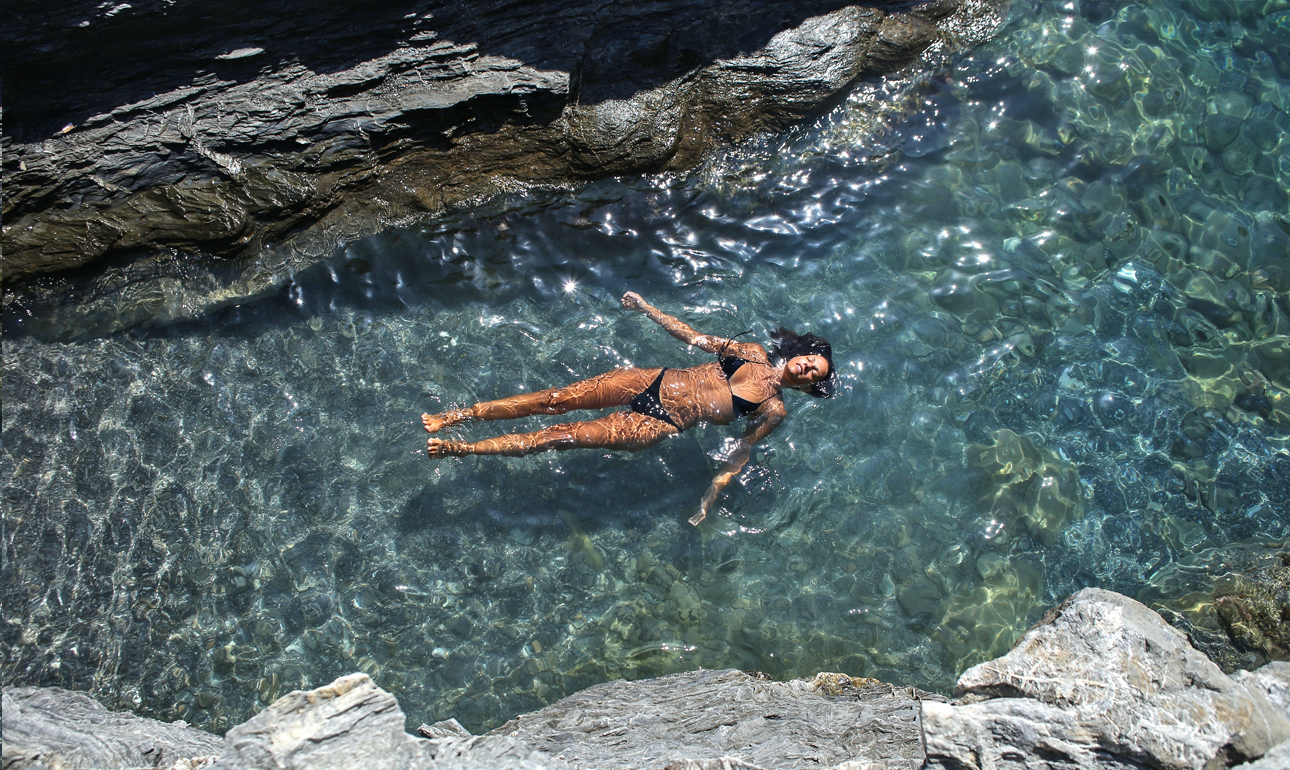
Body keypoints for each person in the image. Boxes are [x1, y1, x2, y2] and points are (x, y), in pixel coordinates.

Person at [422, 291, 836, 525]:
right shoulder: (753, 352)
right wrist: (648, 309)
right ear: (798, 353)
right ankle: (458, 416)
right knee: (556, 400)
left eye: (813, 373)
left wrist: (712, 493)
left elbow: (742, 451)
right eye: (808, 360)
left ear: (810, 385)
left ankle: (463, 448)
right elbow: (693, 338)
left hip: (657, 423)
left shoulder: (774, 410)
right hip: (652, 379)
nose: (805, 367)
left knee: (560, 437)